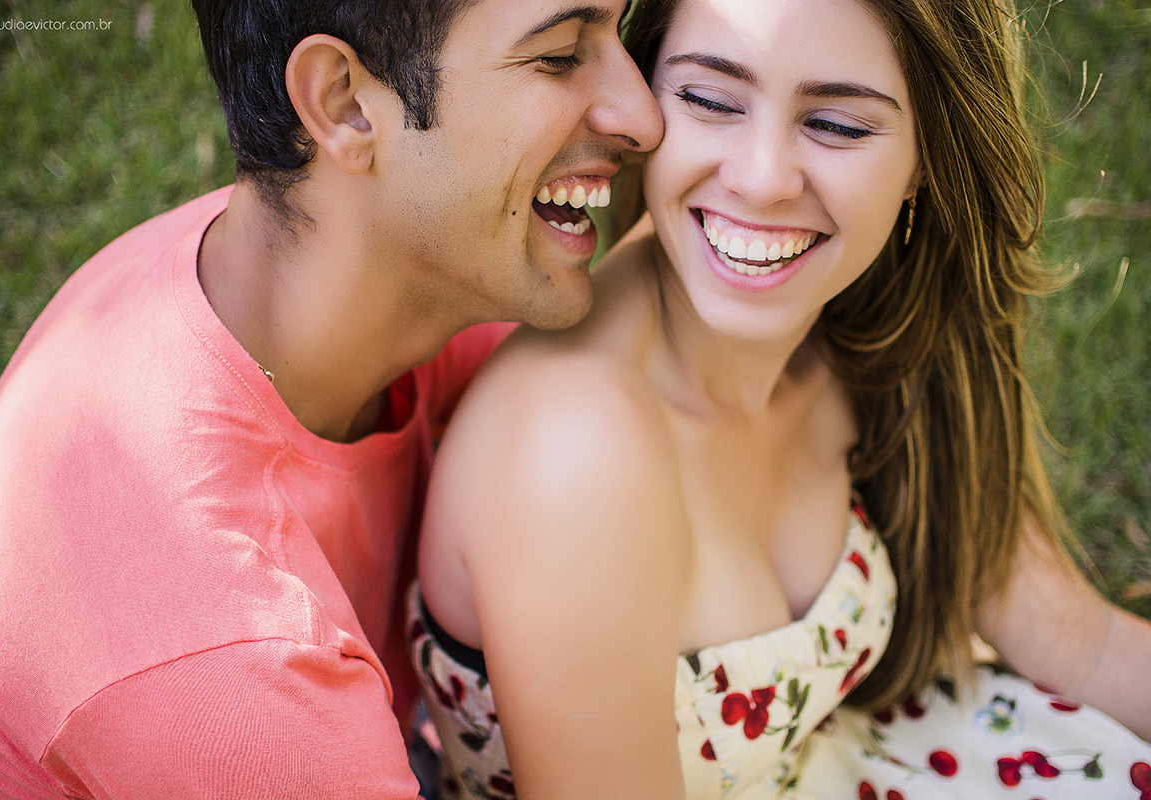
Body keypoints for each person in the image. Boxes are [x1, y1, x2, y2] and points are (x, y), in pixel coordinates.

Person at [408, 0, 1151, 796]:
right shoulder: (574, 451)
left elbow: (1076, 641)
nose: (761, 180)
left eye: (836, 124)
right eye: (711, 101)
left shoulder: (875, 326)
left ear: (927, 156)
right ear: (644, 101)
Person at [0, 1, 662, 797]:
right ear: (344, 103)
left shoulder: (290, 272)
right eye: (561, 55)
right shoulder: (243, 674)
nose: (645, 116)